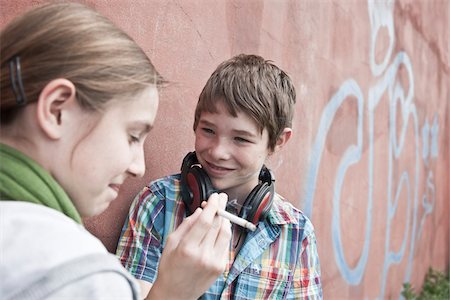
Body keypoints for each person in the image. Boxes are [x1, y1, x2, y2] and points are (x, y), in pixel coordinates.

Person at [0, 2, 231, 299]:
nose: (139, 166)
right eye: (133, 135)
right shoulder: (80, 275)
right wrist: (173, 293)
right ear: (57, 111)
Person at [117, 54, 323, 299]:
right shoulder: (159, 203)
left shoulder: (296, 232)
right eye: (208, 130)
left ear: (277, 141)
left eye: (241, 139)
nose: (217, 151)